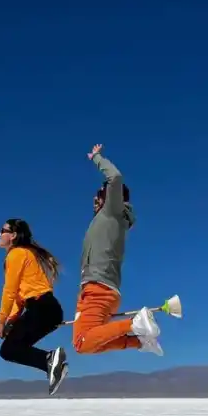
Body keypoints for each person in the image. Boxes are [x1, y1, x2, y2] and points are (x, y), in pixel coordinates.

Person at [72, 143, 163, 356]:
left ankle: (135, 323)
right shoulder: (111, 219)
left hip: (98, 288)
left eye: (100, 194)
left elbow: (116, 178)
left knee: (83, 342)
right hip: (98, 289)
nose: (95, 198)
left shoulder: (113, 211)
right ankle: (139, 342)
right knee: (87, 342)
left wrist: (96, 157)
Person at [0, 218, 68, 395]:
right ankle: (51, 364)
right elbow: (19, 298)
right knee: (11, 348)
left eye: (2, 230)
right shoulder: (25, 254)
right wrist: (11, 322)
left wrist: (1, 321)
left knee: (9, 349)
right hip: (47, 309)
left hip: (41, 308)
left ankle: (49, 359)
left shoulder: (16, 254)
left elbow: (9, 291)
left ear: (12, 235)